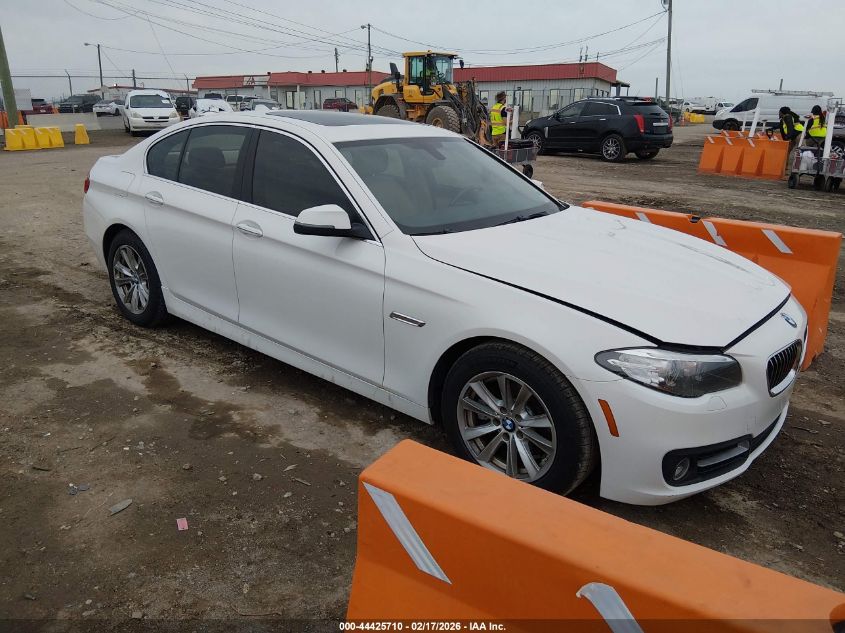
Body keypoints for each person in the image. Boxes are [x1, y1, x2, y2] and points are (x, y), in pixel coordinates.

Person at [778, 106, 804, 176]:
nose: (778, 113)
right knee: (787, 151)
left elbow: (790, 128)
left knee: (800, 152)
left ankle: (799, 169)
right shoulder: (783, 119)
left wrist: (788, 138)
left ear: (782, 112)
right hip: (793, 135)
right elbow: (783, 130)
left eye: (779, 112)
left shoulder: (788, 117)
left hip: (799, 134)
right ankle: (785, 169)